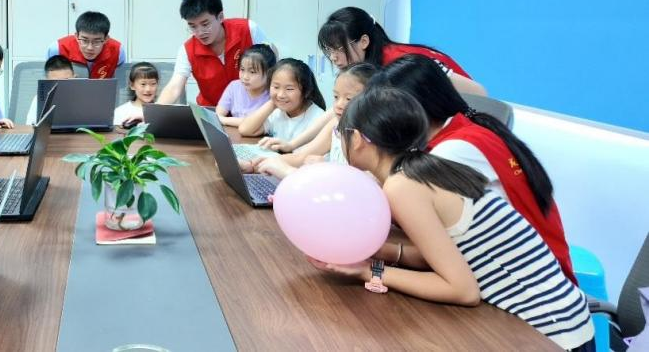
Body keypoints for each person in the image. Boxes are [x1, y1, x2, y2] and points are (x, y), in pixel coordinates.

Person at [309, 87, 594, 351]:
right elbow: (450, 253)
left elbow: (463, 290)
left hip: (549, 334)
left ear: (357, 138)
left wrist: (368, 272)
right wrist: (382, 252)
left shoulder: (402, 186)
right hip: (565, 322)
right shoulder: (427, 169)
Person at [370, 54, 576, 284]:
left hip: (529, 282)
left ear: (412, 108)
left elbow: (435, 241)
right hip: (534, 268)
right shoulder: (468, 128)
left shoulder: (451, 151)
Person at [317, 6, 486, 96]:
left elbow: (479, 92)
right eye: (329, 50)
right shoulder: (370, 68)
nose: (333, 57)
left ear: (364, 42)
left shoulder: (402, 62)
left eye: (338, 49)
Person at [252, 63, 376, 176]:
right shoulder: (336, 124)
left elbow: (359, 181)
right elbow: (301, 157)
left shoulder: (372, 138)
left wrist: (324, 168)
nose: (338, 104)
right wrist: (255, 164)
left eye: (349, 99)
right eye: (336, 97)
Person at [157, 0, 273, 106]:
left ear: (220, 17)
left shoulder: (248, 29)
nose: (200, 32)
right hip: (212, 110)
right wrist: (156, 111)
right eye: (193, 26)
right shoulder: (187, 50)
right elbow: (174, 87)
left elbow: (272, 62)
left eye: (205, 24)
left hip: (252, 108)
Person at [238, 59, 326, 142]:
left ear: (306, 91)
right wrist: (272, 103)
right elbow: (245, 130)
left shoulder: (318, 118)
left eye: (289, 89)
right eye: (276, 87)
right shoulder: (277, 112)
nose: (281, 95)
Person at [48, 11, 126, 79]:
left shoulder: (118, 51)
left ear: (106, 39)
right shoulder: (57, 49)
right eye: (84, 40)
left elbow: (119, 83)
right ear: (76, 36)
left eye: (96, 41)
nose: (90, 48)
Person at [216, 44, 275, 127]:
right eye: (242, 69)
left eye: (252, 72)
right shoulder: (234, 87)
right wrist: (221, 119)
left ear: (269, 73)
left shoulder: (272, 95)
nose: (245, 77)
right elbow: (218, 115)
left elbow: (255, 124)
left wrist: (224, 120)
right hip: (233, 133)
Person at [25, 55, 76, 125]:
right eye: (55, 82)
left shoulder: (85, 97)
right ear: (46, 81)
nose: (61, 87)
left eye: (66, 81)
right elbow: (30, 126)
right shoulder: (39, 99)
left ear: (74, 77)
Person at [113, 62, 160, 126]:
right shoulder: (120, 112)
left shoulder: (163, 111)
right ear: (132, 85)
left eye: (153, 84)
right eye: (143, 84)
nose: (148, 89)